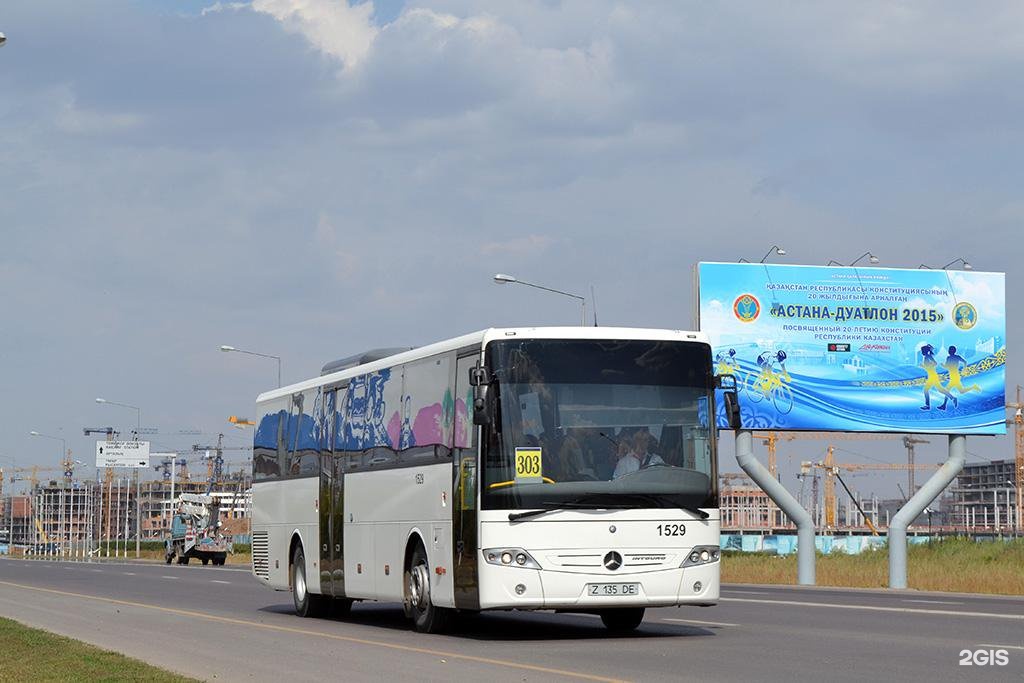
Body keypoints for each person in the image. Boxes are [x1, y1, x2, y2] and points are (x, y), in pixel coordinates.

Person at [920, 344, 957, 411]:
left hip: (933, 376)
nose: (921, 352)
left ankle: (927, 405)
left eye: (922, 351)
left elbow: (935, 363)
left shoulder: (928, 356)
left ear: (924, 351)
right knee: (939, 389)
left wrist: (924, 366)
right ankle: (953, 398)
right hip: (931, 375)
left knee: (927, 390)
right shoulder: (927, 357)